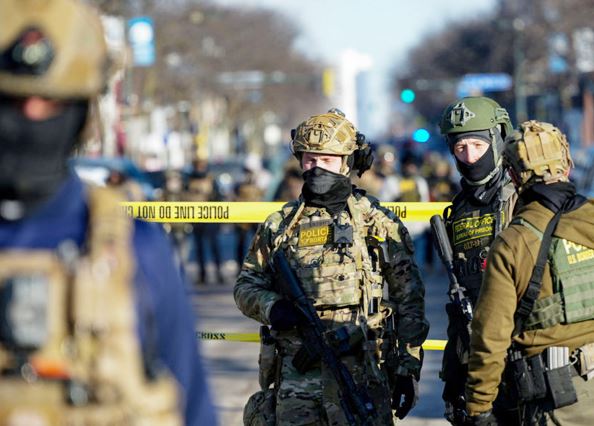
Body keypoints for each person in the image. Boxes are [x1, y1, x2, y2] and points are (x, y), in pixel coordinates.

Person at [0, 1, 216, 424]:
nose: (32, 117)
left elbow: (192, 409)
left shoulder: (138, 248)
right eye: (11, 99)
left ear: (82, 110)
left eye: (52, 102)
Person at [235, 109, 429, 425]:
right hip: (298, 382)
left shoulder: (376, 222)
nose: (316, 168)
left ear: (345, 163)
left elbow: (409, 298)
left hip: (362, 374)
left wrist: (408, 368)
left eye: (327, 160)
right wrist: (272, 307)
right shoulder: (280, 225)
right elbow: (246, 285)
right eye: (309, 160)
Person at [466, 121, 594, 426]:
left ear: (513, 175)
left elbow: (491, 335)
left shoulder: (513, 243)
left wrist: (479, 406)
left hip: (559, 400)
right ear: (567, 164)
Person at [437, 96, 518, 425]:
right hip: (473, 355)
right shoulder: (459, 209)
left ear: (498, 140)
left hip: (518, 350)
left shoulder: (524, 198)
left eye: (478, 145)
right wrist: (453, 374)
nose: (470, 157)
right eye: (460, 148)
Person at [185, 158, 224, 285]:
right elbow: (185, 198)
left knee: (214, 247)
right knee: (200, 249)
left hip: (210, 220)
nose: (200, 168)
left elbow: (218, 198)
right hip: (197, 220)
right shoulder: (189, 180)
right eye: (198, 165)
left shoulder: (211, 180)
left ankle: (219, 273)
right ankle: (202, 275)